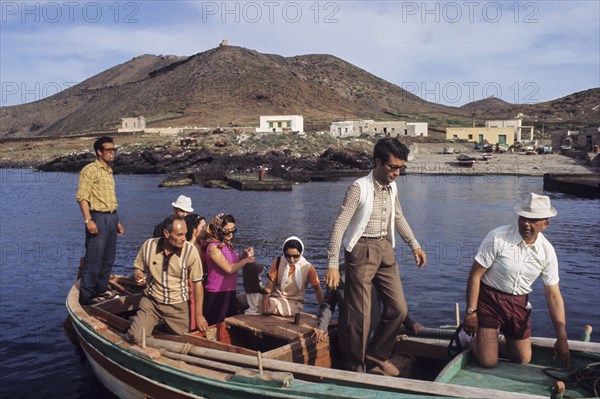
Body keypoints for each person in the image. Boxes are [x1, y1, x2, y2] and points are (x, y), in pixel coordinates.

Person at [324, 137, 427, 375]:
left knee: (398, 309)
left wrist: (414, 245)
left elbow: (398, 216)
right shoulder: (358, 188)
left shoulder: (393, 186)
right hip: (360, 251)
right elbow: (339, 226)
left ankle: (375, 354)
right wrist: (331, 264)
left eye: (401, 168)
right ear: (378, 162)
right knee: (359, 317)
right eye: (393, 167)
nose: (397, 173)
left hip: (385, 249)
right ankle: (355, 368)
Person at [464, 193, 569, 369]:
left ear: (545, 224)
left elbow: (553, 295)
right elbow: (475, 275)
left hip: (519, 304)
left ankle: (490, 345)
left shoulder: (547, 252)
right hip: (490, 300)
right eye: (523, 217)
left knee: (523, 358)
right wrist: (471, 312)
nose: (526, 223)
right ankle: (474, 342)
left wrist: (562, 336)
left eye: (533, 220)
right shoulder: (498, 237)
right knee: (488, 362)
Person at [126, 215, 207, 344]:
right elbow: (138, 267)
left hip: (178, 306)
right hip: (152, 302)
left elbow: (198, 284)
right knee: (135, 337)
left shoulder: (190, 251)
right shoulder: (148, 245)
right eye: (179, 235)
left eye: (185, 234)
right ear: (166, 233)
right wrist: (138, 275)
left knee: (183, 344)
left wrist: (199, 315)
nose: (184, 239)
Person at [76, 136, 125, 305]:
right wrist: (88, 220)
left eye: (114, 149)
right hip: (97, 217)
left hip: (111, 217)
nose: (112, 153)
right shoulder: (90, 170)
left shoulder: (109, 170)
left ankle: (101, 289)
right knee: (94, 258)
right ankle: (87, 297)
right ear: (99, 152)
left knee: (108, 258)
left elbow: (108, 198)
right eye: (109, 150)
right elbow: (82, 197)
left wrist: (116, 221)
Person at [311, 271, 422, 343]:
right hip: (348, 335)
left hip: (374, 334)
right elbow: (329, 303)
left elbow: (393, 302)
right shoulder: (337, 274)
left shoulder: (380, 275)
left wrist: (410, 323)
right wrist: (322, 327)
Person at [202, 213, 255, 325]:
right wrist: (245, 261)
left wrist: (244, 255)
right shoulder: (213, 247)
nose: (230, 234)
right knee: (216, 325)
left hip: (229, 290)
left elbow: (234, 262)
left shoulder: (227, 244)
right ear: (218, 229)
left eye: (233, 230)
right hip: (217, 293)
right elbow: (229, 268)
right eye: (227, 231)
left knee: (230, 324)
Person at [261, 236, 324, 317]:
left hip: (293, 302)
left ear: (301, 253)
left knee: (266, 308)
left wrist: (323, 312)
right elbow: (270, 281)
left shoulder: (308, 267)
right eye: (288, 256)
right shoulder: (278, 261)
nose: (291, 259)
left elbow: (317, 289)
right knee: (244, 298)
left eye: (295, 256)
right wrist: (265, 296)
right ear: (284, 253)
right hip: (274, 296)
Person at [184, 213, 207, 331]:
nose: (205, 229)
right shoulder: (188, 246)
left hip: (202, 282)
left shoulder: (201, 243)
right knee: (193, 306)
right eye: (202, 227)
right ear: (193, 229)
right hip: (192, 283)